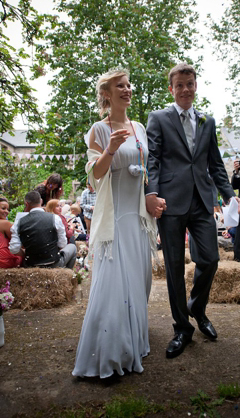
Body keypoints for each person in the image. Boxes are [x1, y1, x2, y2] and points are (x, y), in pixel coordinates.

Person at [145, 63, 238, 359]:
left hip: (201, 200)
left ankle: (197, 307)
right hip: (170, 201)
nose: (185, 89)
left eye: (190, 84)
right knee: (173, 266)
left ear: (196, 85)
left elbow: (214, 162)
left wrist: (228, 195)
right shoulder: (158, 118)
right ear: (171, 89)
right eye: (179, 85)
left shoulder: (206, 121)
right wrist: (152, 194)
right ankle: (182, 328)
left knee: (210, 259)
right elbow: (154, 160)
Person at [72, 68, 156, 378]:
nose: (127, 89)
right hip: (115, 218)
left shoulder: (138, 127)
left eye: (128, 84)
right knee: (113, 282)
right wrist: (110, 149)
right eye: (120, 85)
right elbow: (94, 176)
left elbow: (145, 170)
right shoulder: (98, 129)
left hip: (138, 218)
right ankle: (110, 353)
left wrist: (151, 197)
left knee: (138, 280)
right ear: (107, 94)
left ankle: (132, 341)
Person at [9, 191, 77, 269]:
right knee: (72, 247)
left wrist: (26, 254)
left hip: (31, 265)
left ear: (26, 203)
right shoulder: (55, 218)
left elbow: (13, 249)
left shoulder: (19, 222)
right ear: (41, 201)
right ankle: (66, 275)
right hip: (53, 263)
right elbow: (62, 244)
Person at [0, 197, 23, 268]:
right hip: (4, 261)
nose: (7, 211)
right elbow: (20, 241)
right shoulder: (5, 223)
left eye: (7, 209)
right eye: (3, 208)